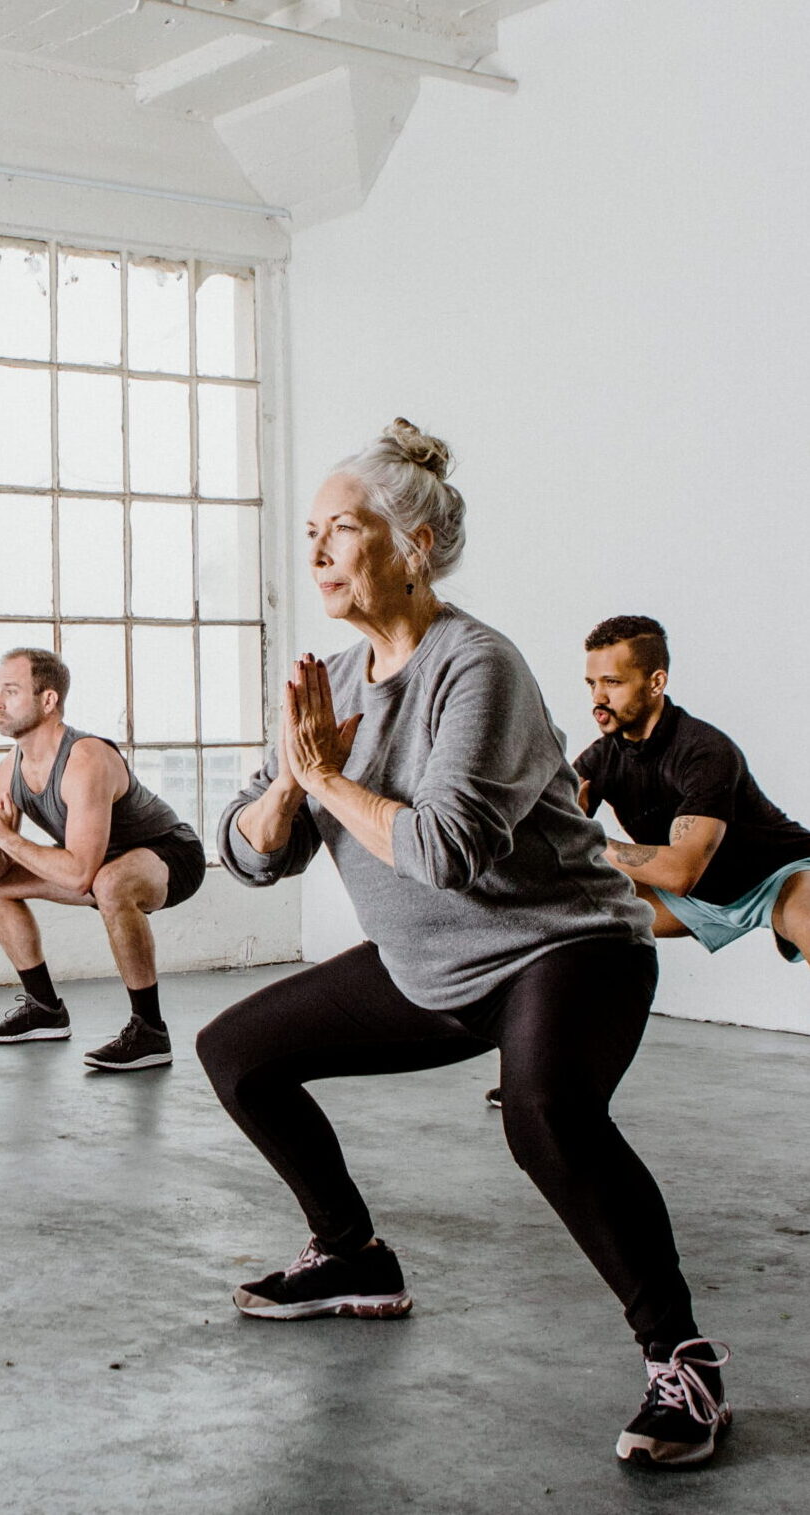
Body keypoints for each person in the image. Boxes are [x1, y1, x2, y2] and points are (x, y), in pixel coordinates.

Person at [196, 421, 730, 1467]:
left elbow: (443, 851)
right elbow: (251, 855)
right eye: (309, 532)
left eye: (340, 531)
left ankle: (685, 1362)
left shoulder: (478, 668)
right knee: (236, 1053)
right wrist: (292, 786)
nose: (315, 555)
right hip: (433, 967)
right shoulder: (332, 683)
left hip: (564, 949)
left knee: (546, 1117)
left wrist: (326, 781)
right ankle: (352, 1256)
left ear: (416, 546)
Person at [485, 614, 810, 1110]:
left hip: (776, 875)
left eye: (613, 682)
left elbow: (680, 872)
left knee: (808, 915)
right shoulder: (601, 758)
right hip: (700, 900)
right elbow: (550, 843)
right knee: (559, 920)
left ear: (656, 682)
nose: (598, 697)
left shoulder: (704, 750)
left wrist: (586, 835)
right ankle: (539, 1079)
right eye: (592, 683)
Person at [0, 648, 206, 1071]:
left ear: (48, 700)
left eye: (11, 691)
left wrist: (5, 836)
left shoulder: (85, 759)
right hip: (97, 864)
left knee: (110, 883)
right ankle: (44, 1009)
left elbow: (78, 876)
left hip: (170, 854)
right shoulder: (10, 769)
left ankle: (150, 1031)